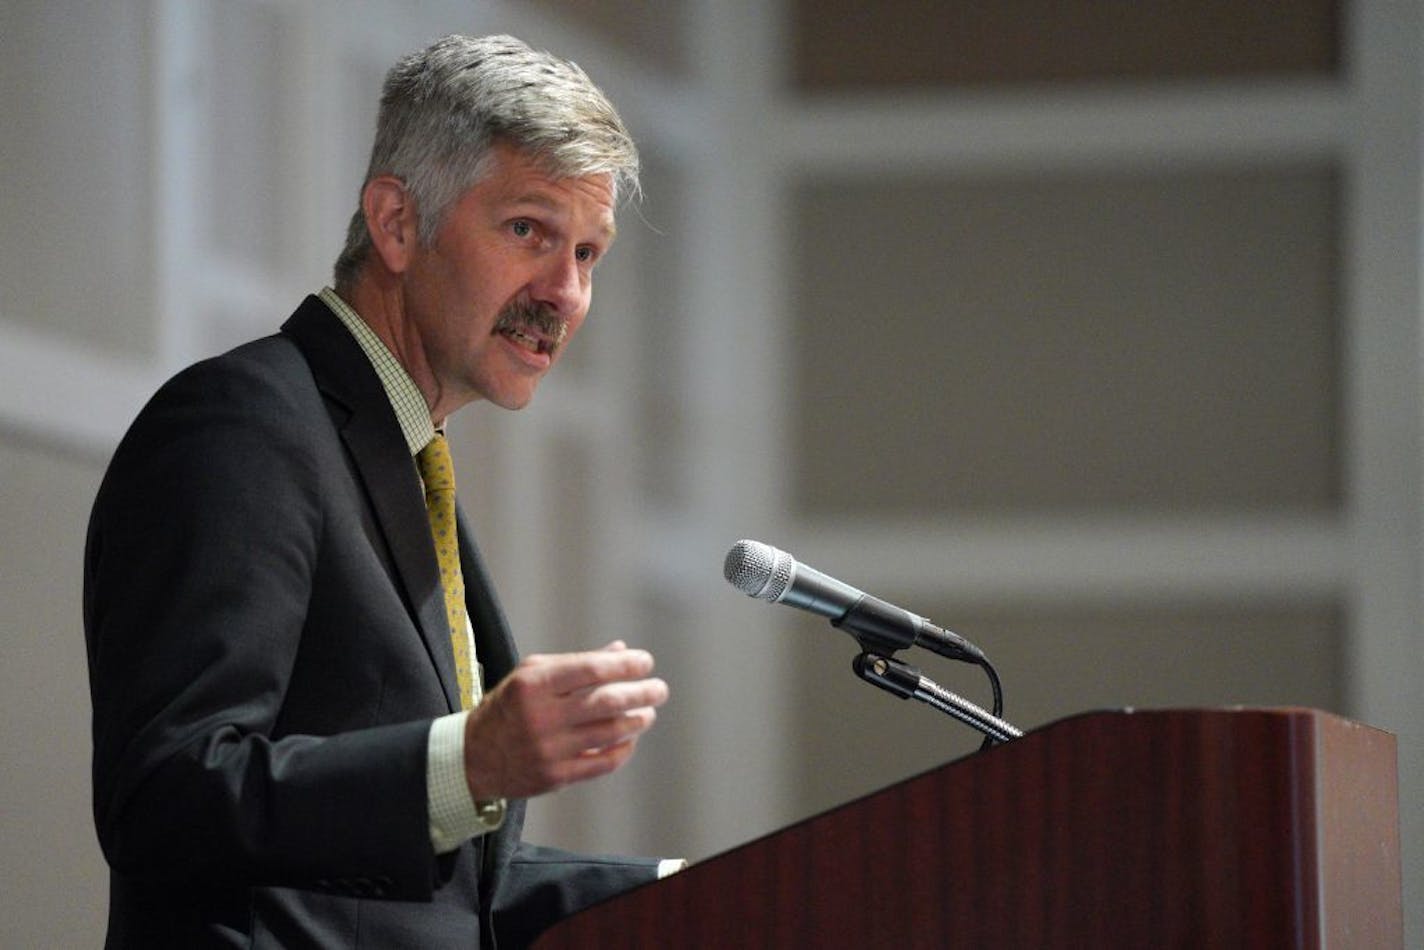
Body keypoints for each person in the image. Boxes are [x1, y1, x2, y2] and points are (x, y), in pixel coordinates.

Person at [83, 33, 674, 948]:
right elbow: (166, 796)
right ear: (397, 223)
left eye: (588, 254)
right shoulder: (243, 427)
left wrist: (709, 895)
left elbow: (442, 897)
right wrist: (466, 763)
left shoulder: (400, 459)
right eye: (529, 231)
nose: (564, 292)